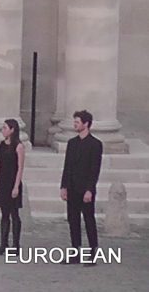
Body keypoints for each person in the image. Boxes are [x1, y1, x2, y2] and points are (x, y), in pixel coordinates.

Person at [60, 109, 103, 265]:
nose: (75, 124)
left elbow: (94, 169)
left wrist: (89, 189)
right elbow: (67, 166)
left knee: (89, 220)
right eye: (74, 122)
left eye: (77, 122)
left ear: (86, 124)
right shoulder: (72, 143)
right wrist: (63, 186)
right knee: (73, 220)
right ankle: (75, 252)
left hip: (85, 189)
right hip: (72, 188)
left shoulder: (96, 144)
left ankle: (93, 252)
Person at [0, 118, 25, 256]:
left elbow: (20, 168)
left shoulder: (19, 146)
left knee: (14, 213)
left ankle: (16, 245)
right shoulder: (1, 145)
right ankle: (3, 243)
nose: (3, 130)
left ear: (12, 130)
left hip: (12, 182)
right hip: (2, 182)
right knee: (4, 214)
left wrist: (16, 186)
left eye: (5, 128)